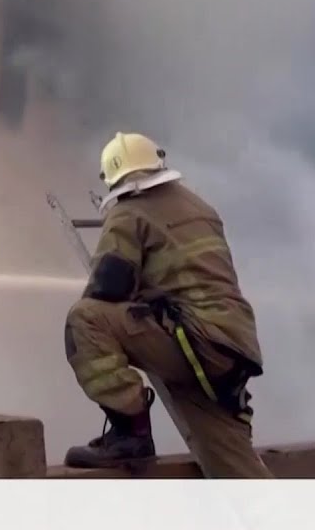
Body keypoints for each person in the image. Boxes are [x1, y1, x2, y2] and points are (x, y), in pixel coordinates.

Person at [62, 132, 273, 478]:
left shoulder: (128, 213)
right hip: (230, 350)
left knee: (85, 320)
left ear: (111, 178)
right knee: (236, 471)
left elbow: (107, 291)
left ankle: (131, 434)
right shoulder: (200, 208)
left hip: (193, 343)